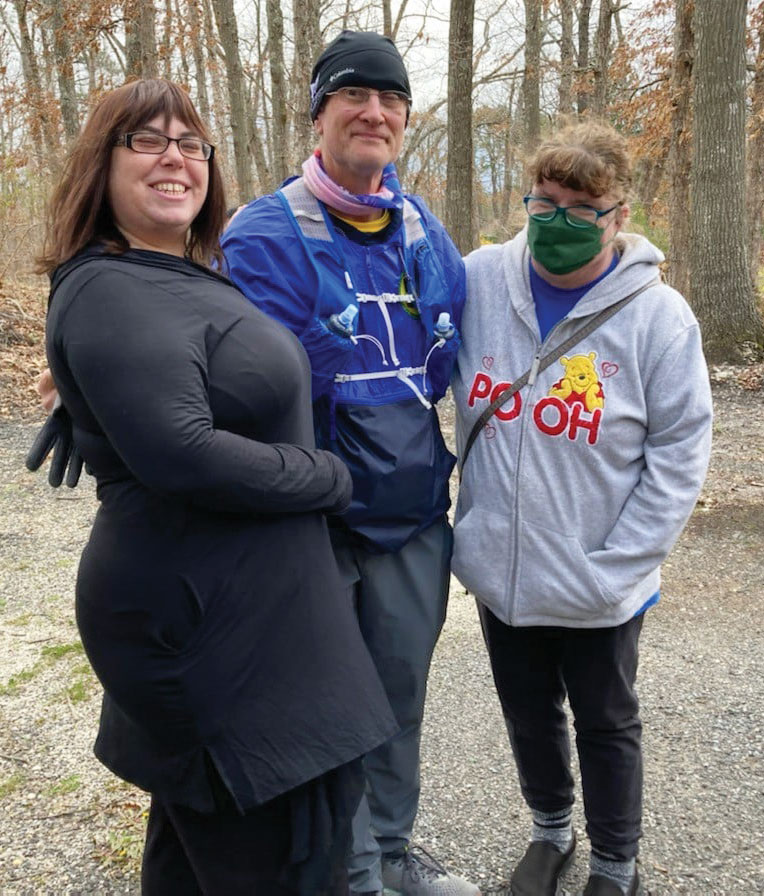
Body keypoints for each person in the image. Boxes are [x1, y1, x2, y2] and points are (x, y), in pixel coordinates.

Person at [37, 77, 399, 895]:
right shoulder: (110, 285)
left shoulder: (181, 271)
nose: (176, 158)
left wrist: (91, 404)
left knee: (201, 849)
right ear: (102, 162)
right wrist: (328, 476)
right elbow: (184, 453)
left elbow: (187, 383)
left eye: (191, 144)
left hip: (246, 617)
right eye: (148, 140)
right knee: (275, 850)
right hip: (205, 632)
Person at [221, 31, 478, 896]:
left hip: (412, 521)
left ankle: (393, 854)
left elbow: (477, 348)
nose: (375, 111)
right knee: (324, 716)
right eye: (354, 95)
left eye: (391, 98)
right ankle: (347, 872)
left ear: (405, 118)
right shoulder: (259, 233)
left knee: (399, 700)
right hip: (310, 526)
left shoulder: (424, 234)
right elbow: (198, 340)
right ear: (321, 113)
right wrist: (79, 370)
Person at [450, 121, 713, 896]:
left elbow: (678, 456)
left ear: (618, 215)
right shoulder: (479, 282)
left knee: (606, 723)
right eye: (545, 202)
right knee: (528, 714)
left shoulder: (658, 319)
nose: (557, 221)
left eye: (580, 209)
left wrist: (617, 566)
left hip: (599, 578)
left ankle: (615, 865)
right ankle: (549, 833)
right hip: (502, 570)